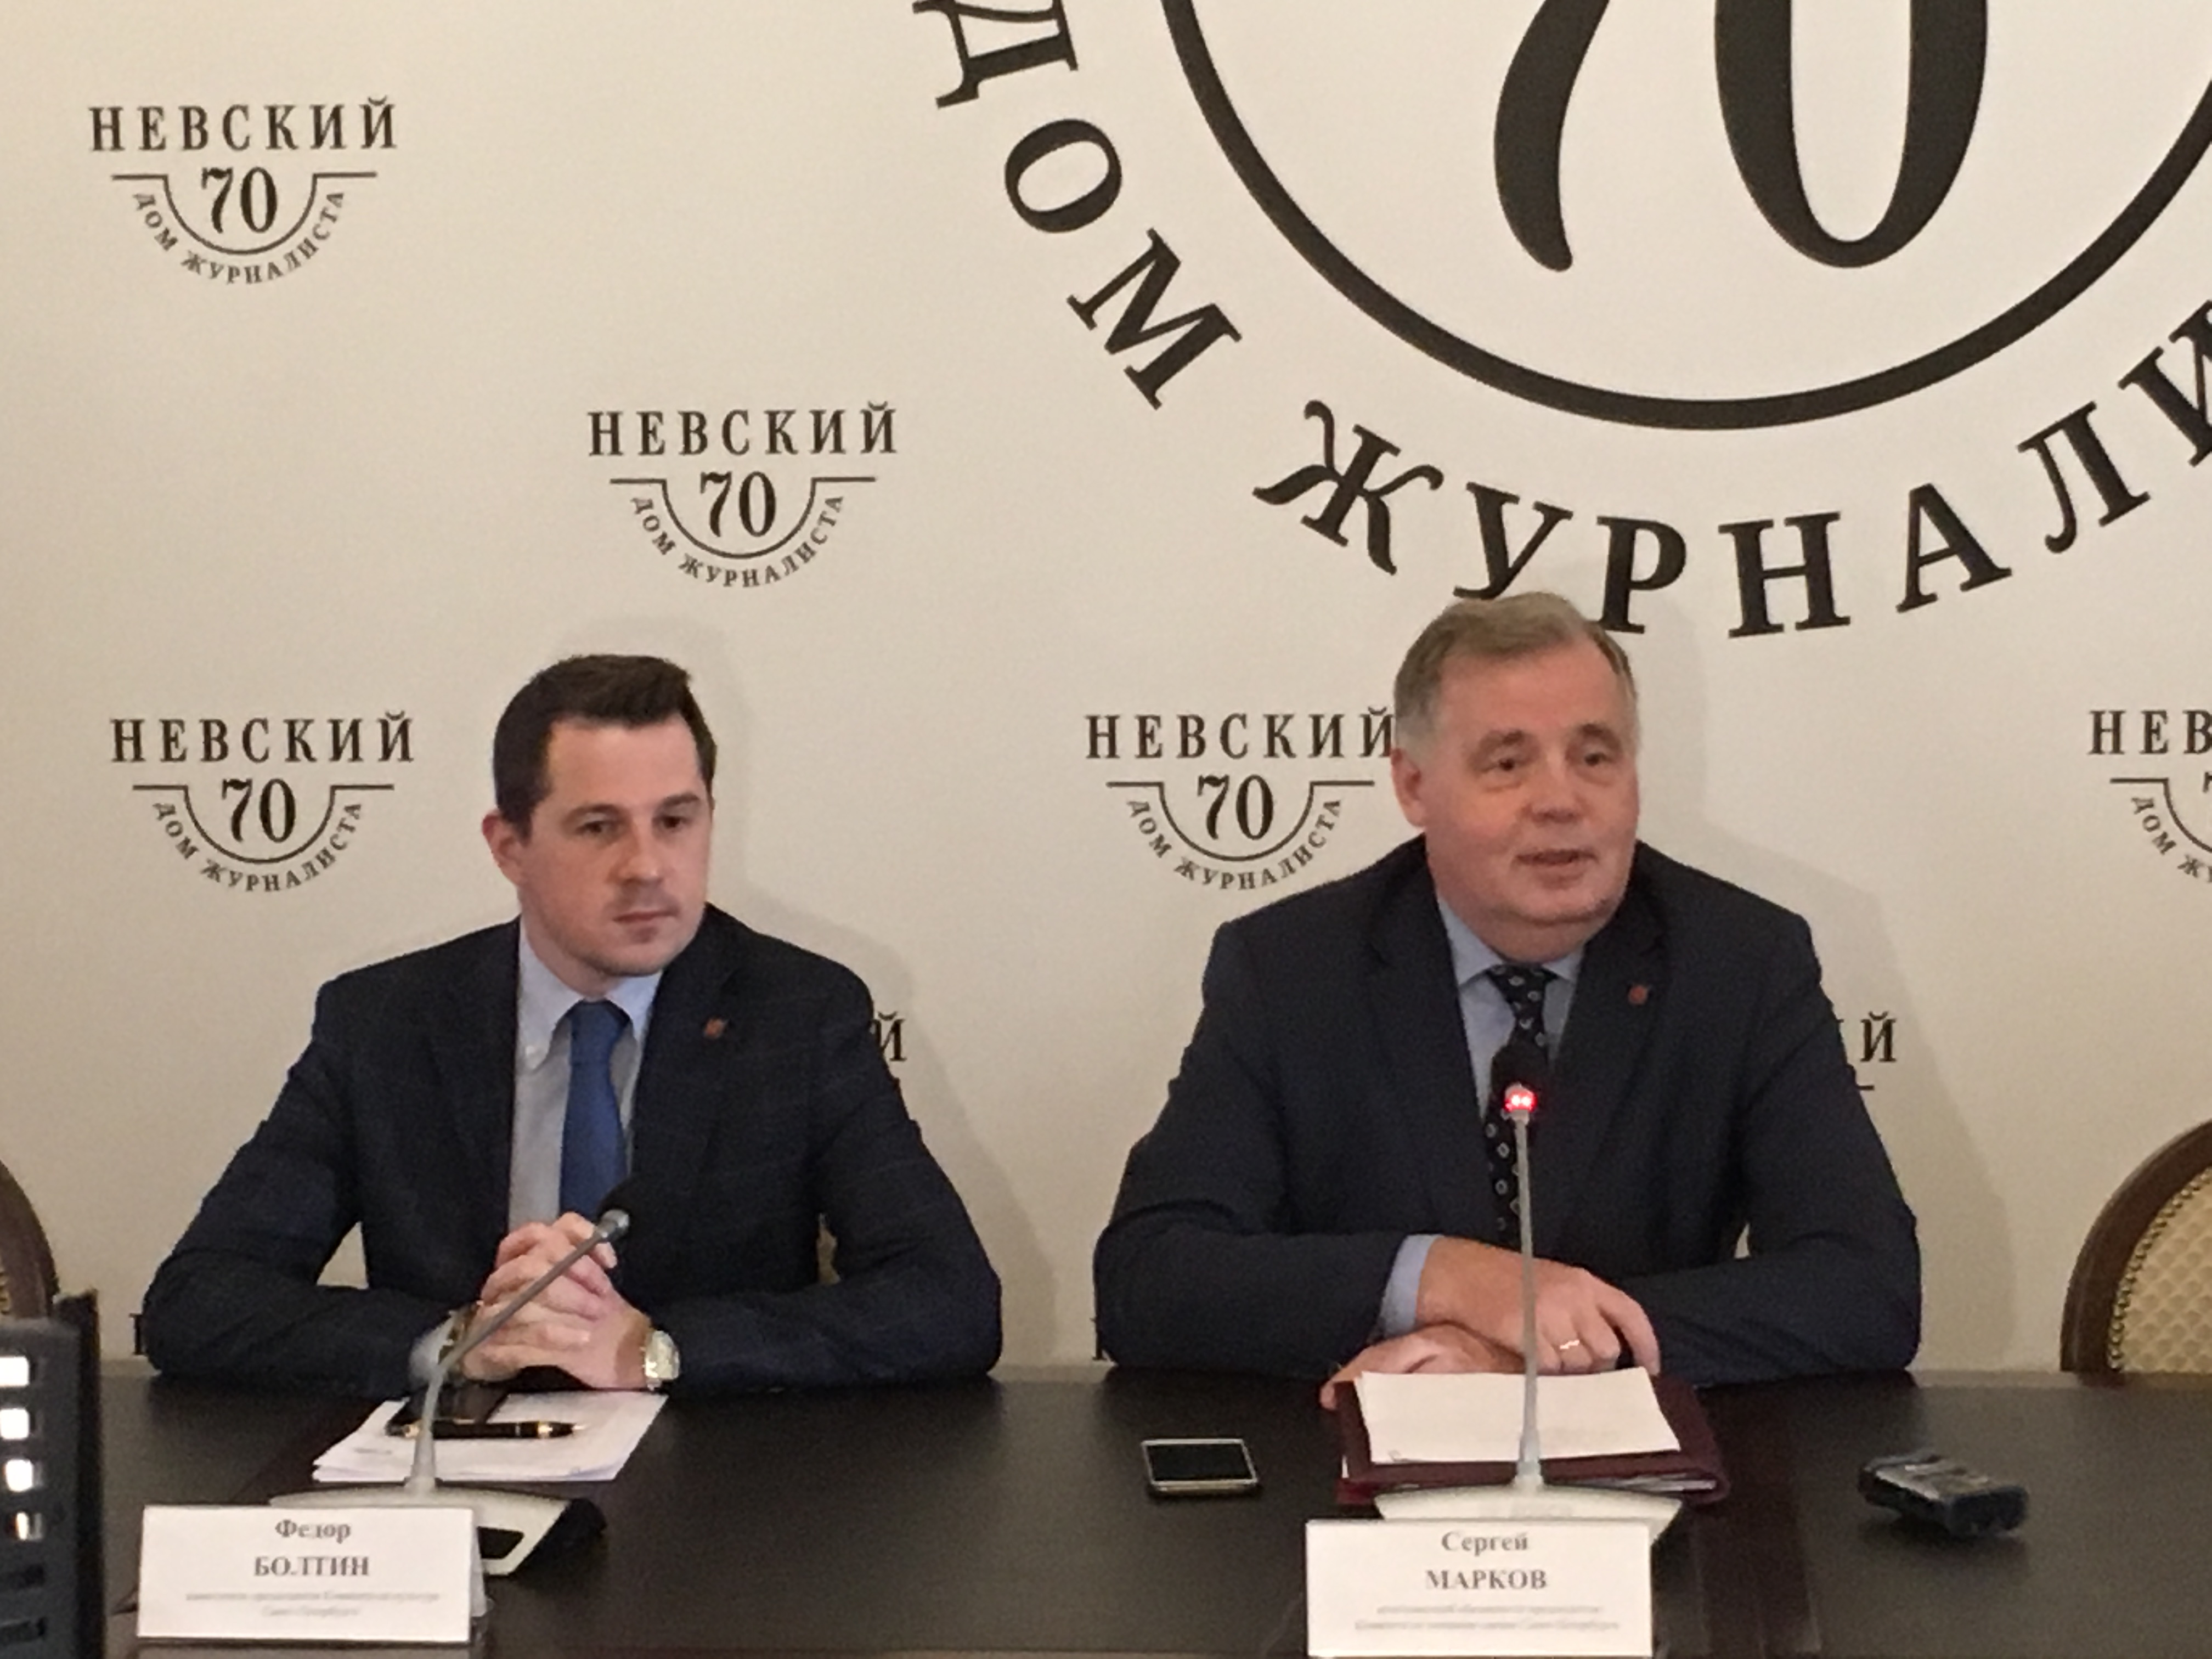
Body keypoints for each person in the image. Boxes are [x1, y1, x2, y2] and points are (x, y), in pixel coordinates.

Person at [1093, 594, 1918, 1392]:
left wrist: (1547, 1349)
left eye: (1595, 757)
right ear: (1414, 786)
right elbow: (1148, 1278)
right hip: (1356, 1464)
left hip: (1649, 1472)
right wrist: (1440, 1278)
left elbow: (1867, 1285)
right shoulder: (1292, 969)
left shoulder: (1740, 961)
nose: (1560, 801)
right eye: (1508, 763)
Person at [143, 654, 1001, 1397]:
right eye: (599, 827)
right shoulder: (386, 1025)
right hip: (452, 1482)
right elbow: (199, 1299)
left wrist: (656, 1351)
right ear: (509, 847)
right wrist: (460, 1340)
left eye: (676, 820)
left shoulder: (798, 1013)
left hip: (717, 1490)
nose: (647, 867)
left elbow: (949, 1300)